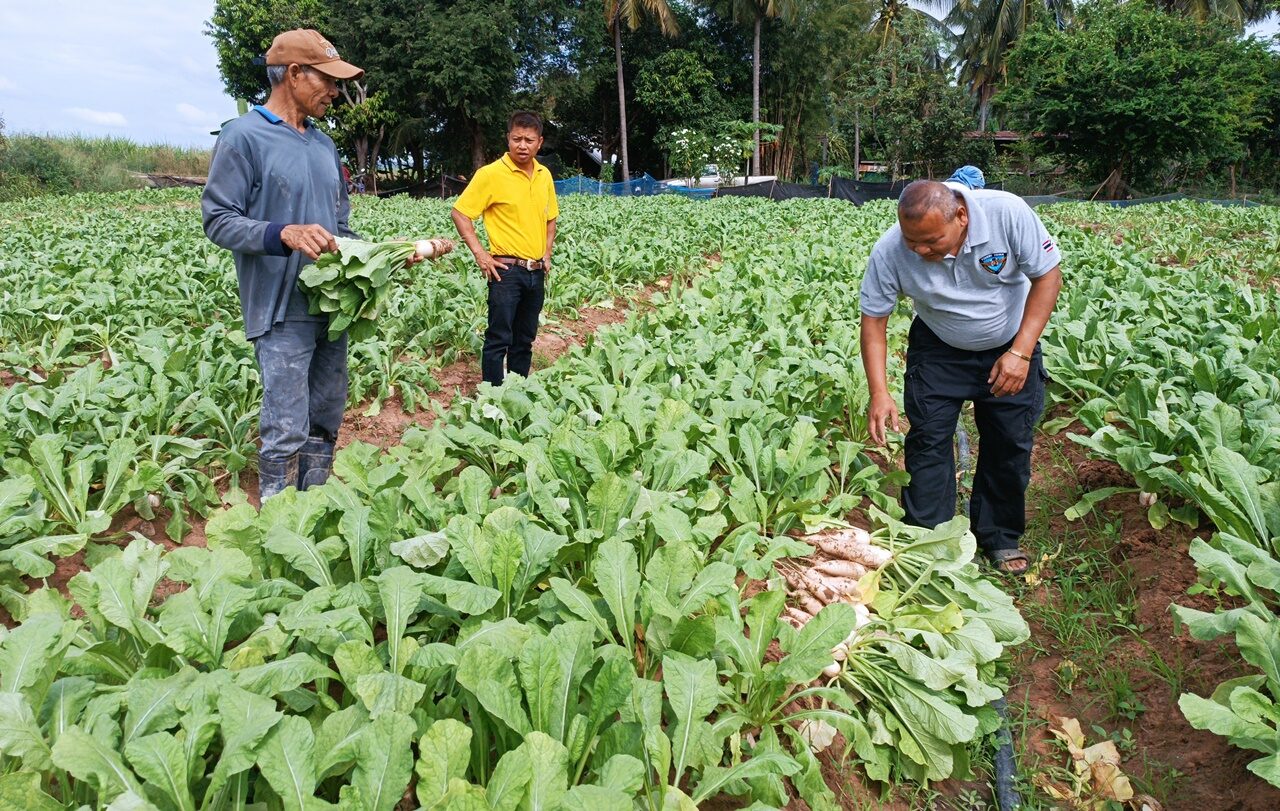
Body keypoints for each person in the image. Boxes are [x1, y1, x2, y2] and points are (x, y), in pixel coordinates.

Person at [203, 29, 417, 501]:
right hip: (281, 312)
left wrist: (388, 253)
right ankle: (279, 525)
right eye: (329, 80)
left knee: (325, 417)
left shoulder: (324, 146)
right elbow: (218, 221)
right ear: (295, 74)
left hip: (333, 307)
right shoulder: (243, 137)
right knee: (285, 426)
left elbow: (340, 229)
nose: (336, 92)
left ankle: (311, 512)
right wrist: (282, 232)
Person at [859, 180, 1063, 574]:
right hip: (938, 349)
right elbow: (874, 322)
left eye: (931, 240)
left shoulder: (1007, 213)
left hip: (1009, 344)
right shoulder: (890, 250)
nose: (920, 250)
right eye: (912, 241)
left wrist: (1020, 353)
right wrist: (879, 392)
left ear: (962, 217)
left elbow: (1047, 276)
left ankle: (999, 536)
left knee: (1009, 442)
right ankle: (927, 539)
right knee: (928, 441)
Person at [451, 112, 559, 386]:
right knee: (499, 338)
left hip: (536, 273)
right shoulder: (490, 175)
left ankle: (517, 392)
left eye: (529, 140)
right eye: (516, 139)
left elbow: (551, 218)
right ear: (508, 139)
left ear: (540, 142)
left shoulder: (545, 175)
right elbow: (461, 213)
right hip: (506, 271)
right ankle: (492, 397)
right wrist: (481, 255)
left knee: (525, 339)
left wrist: (546, 253)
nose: (522, 145)